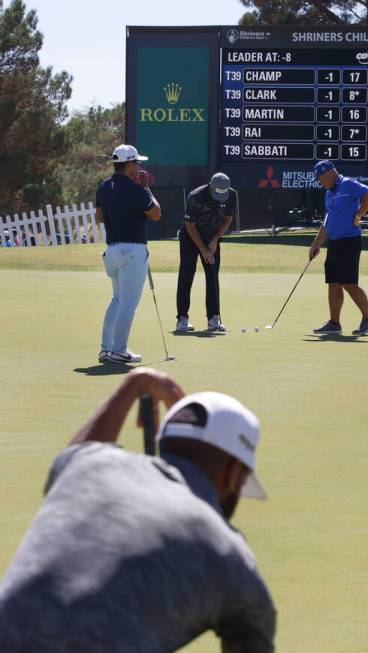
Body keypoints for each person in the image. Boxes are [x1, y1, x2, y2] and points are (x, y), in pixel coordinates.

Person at [0, 368, 276, 651]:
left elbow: (76, 456)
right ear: (232, 473)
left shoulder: (91, 467)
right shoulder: (228, 553)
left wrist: (134, 384)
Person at [95, 144, 161, 364]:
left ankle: (106, 349)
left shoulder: (103, 187)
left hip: (112, 251)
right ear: (129, 164)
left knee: (117, 299)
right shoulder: (136, 189)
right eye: (137, 162)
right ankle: (119, 349)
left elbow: (99, 217)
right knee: (127, 303)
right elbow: (156, 214)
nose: (140, 166)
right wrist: (146, 189)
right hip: (132, 251)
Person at [308, 160, 368, 336]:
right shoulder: (329, 193)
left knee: (348, 282)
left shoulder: (347, 183)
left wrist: (359, 214)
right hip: (334, 242)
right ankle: (334, 323)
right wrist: (316, 243)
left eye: (320, 179)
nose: (320, 182)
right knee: (333, 282)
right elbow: (327, 221)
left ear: (329, 174)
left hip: (349, 241)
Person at [176, 172, 236, 333]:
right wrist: (202, 249)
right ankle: (182, 319)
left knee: (212, 275)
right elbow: (190, 225)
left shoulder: (231, 195)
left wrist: (215, 240)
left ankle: (214, 319)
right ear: (210, 185)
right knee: (187, 274)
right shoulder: (195, 196)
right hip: (191, 237)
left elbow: (228, 219)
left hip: (211, 238)